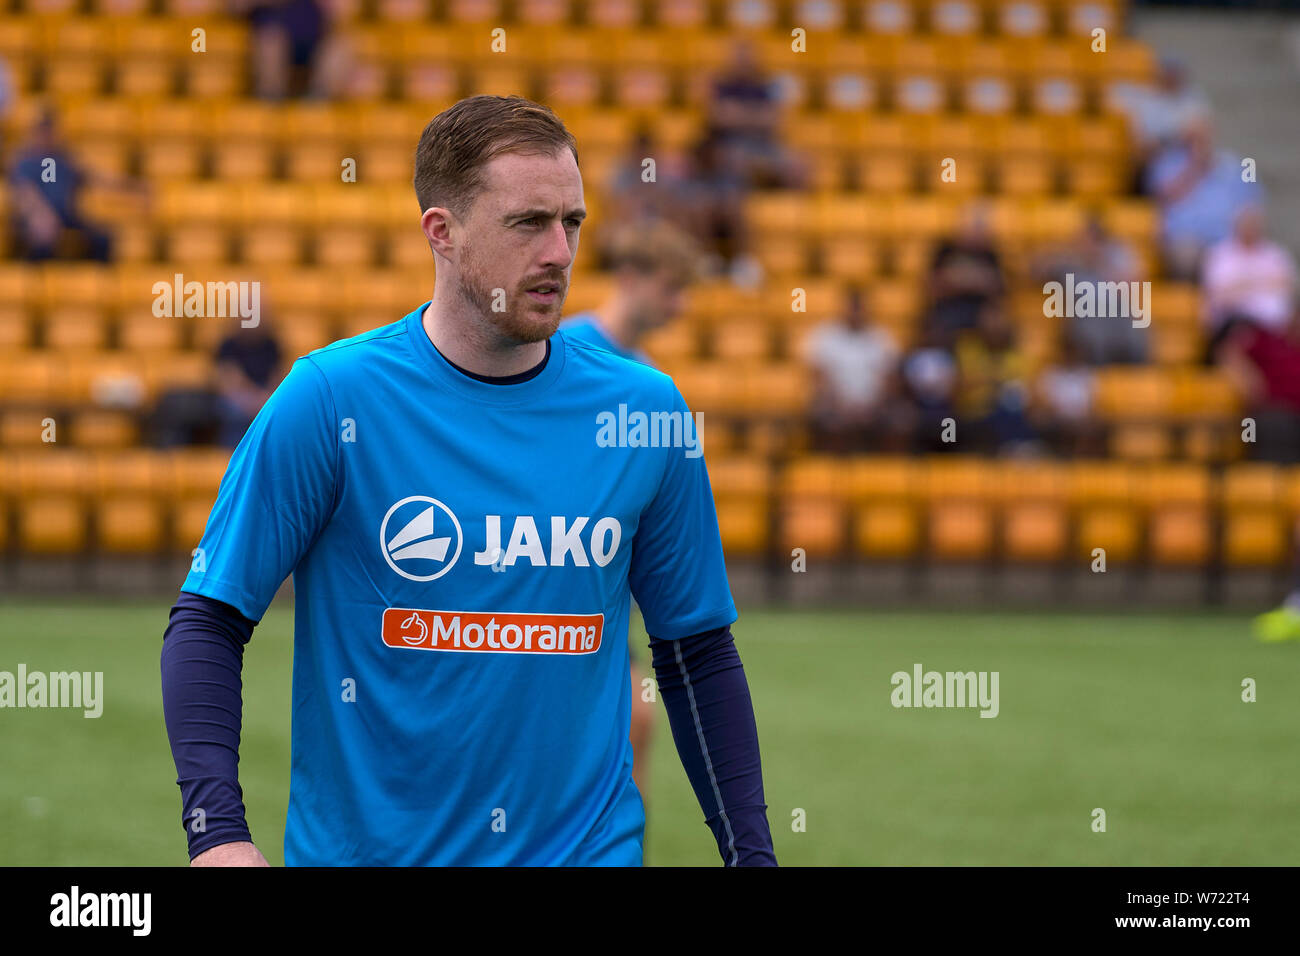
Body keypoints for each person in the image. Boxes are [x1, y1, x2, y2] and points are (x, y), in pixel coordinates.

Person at [160, 95, 776, 867]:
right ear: (441, 233)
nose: (559, 251)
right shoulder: (332, 398)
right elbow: (210, 620)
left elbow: (697, 655)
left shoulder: (647, 412)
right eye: (528, 223)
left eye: (573, 223)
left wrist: (752, 855)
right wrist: (215, 835)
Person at [559, 217, 701, 836]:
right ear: (631, 278)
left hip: (605, 576)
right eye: (672, 288)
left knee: (634, 721)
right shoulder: (566, 347)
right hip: (551, 569)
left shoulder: (643, 372)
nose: (681, 305)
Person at [7, 108, 148, 261]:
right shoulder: (24, 161)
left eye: (50, 130)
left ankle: (96, 281)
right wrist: (40, 213)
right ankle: (36, 280)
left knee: (102, 239)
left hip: (66, 215)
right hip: (33, 218)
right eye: (43, 131)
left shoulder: (65, 158)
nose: (47, 135)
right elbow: (26, 192)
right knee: (40, 240)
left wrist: (134, 188)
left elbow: (98, 177)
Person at [1146, 113, 1261, 279]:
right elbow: (1164, 197)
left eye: (1203, 135)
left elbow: (1251, 202)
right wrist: (1195, 166)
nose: (1199, 141)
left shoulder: (1237, 164)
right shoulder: (1166, 163)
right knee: (1187, 256)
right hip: (1187, 240)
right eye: (1193, 137)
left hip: (1229, 241)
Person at [802, 287, 906, 453]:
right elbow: (818, 378)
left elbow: (891, 380)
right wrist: (841, 406)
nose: (855, 313)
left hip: (875, 407)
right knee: (830, 422)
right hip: (835, 405)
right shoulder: (824, 336)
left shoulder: (881, 337)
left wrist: (872, 407)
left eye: (860, 308)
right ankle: (832, 469)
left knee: (901, 421)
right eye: (852, 308)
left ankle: (886, 469)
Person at [1202, 204, 1296, 354]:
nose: (1251, 228)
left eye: (1255, 224)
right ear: (1236, 225)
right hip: (1235, 327)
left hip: (1275, 328)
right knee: (1244, 338)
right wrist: (1263, 282)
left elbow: (1287, 286)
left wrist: (1244, 284)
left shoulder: (1276, 255)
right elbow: (1219, 296)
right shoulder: (1220, 254)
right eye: (1247, 223)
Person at [213, 316, 285, 448]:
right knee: (232, 411)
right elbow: (229, 382)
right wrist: (254, 402)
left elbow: (278, 378)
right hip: (238, 398)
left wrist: (265, 400)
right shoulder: (228, 345)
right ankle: (233, 456)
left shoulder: (272, 344)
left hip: (265, 396)